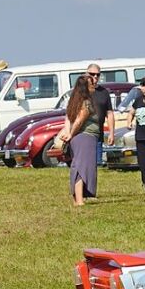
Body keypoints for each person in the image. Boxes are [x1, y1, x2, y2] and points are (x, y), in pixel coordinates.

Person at [57, 76, 98, 207]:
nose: (95, 85)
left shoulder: (73, 101)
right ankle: (79, 201)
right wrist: (71, 134)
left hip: (77, 138)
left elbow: (68, 119)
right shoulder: (86, 102)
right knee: (82, 168)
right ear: (86, 87)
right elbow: (80, 120)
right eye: (92, 84)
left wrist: (69, 133)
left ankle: (77, 199)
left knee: (77, 166)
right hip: (85, 137)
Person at [86, 63, 115, 165]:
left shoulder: (104, 92)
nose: (95, 77)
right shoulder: (81, 91)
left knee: (97, 165)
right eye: (92, 74)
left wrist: (111, 133)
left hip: (98, 134)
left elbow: (109, 113)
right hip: (83, 134)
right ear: (86, 74)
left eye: (97, 75)